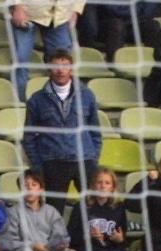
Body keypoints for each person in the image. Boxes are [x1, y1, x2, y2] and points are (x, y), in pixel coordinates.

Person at [21, 47, 102, 200]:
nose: (60, 70)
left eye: (65, 65)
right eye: (55, 66)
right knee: (54, 208)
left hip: (85, 159)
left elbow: (95, 131)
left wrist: (93, 157)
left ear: (71, 68)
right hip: (53, 162)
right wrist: (38, 165)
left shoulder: (87, 95)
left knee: (93, 205)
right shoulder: (36, 100)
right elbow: (29, 137)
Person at [0, 166, 80, 251]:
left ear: (41, 189)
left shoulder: (51, 211)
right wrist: (32, 246)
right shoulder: (13, 212)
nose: (30, 188)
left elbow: (62, 237)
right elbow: (7, 241)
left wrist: (55, 245)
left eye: (34, 185)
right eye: (25, 186)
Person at [68, 167, 135, 251]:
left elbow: (123, 238)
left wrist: (119, 239)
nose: (103, 186)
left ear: (112, 188)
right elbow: (70, 236)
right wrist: (88, 235)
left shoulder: (119, 207)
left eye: (107, 183)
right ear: (93, 186)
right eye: (99, 182)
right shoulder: (81, 206)